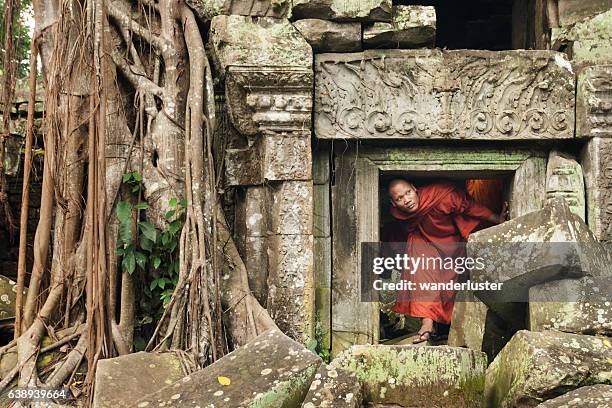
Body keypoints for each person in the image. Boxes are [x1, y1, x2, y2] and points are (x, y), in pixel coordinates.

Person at [385, 179, 507, 343]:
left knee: (449, 286)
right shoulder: (399, 215)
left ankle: (445, 327)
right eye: (399, 198)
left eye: (408, 193)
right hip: (425, 242)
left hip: (452, 244)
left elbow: (470, 207)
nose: (406, 200)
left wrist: (496, 219)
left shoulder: (441, 195)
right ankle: (427, 323)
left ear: (415, 189)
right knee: (421, 267)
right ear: (393, 203)